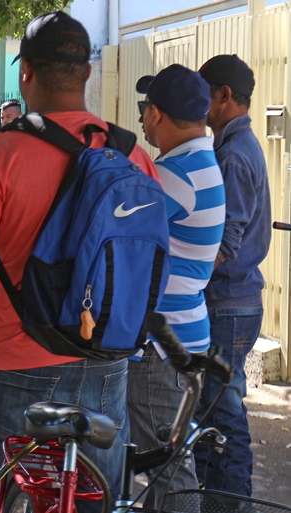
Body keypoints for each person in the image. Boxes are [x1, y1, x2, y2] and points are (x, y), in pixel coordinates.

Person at [0, 12, 160, 513]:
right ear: (87, 73)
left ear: (25, 72)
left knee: (3, 502)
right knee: (92, 502)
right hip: (104, 359)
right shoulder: (131, 155)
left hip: (10, 365)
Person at [130, 64, 225, 508]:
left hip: (161, 344)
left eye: (145, 110)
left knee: (167, 468)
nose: (143, 119)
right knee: (166, 460)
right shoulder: (199, 162)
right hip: (184, 330)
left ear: (158, 115)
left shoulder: (176, 175)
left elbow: (117, 235)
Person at [193, 54, 272, 497]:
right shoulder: (230, 147)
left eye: (204, 93)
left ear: (224, 96)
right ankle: (210, 499)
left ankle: (232, 504)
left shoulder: (235, 155)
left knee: (222, 412)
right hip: (231, 302)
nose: (198, 104)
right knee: (208, 411)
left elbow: (225, 243)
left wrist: (181, 279)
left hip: (230, 304)